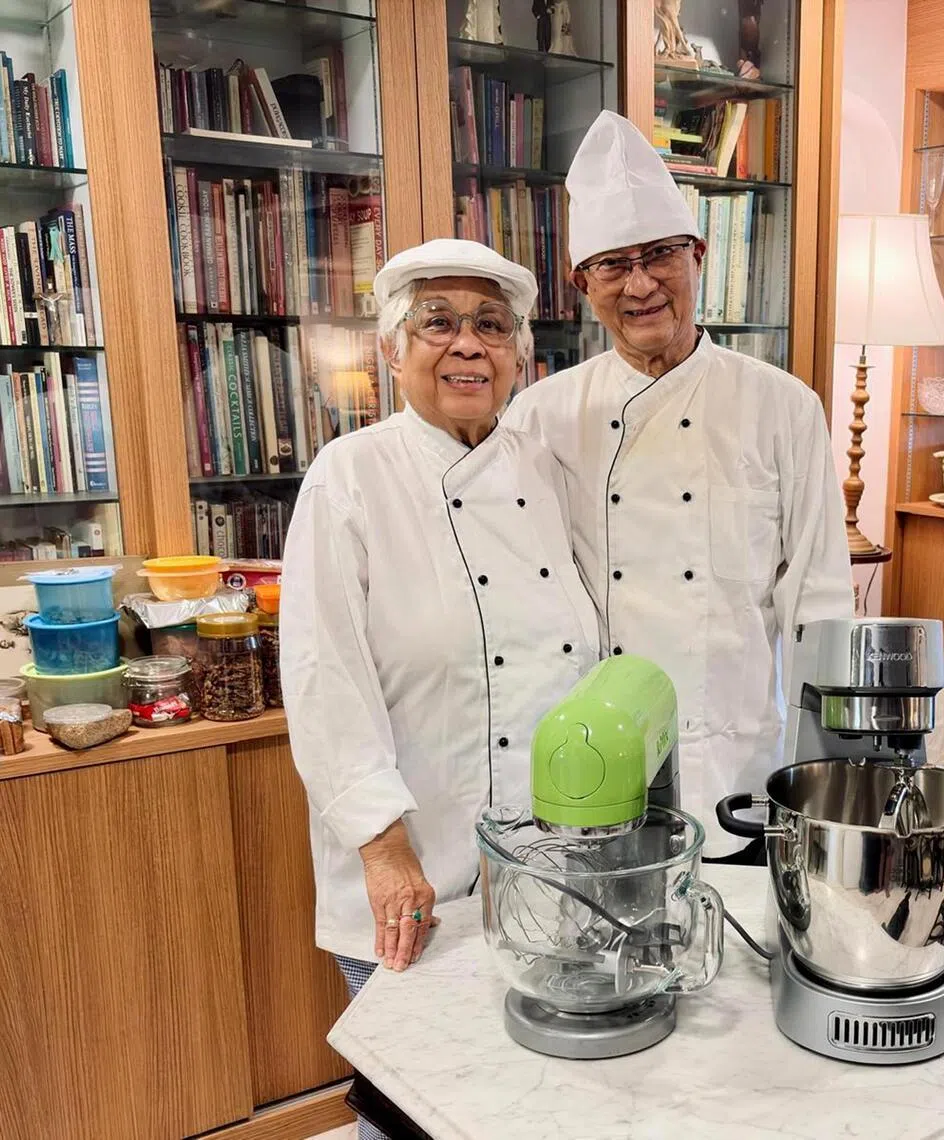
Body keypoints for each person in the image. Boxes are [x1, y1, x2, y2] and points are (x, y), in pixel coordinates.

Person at [280, 239, 600, 1138]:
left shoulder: (544, 471)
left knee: (533, 1106)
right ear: (391, 349)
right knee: (418, 1112)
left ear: (520, 355)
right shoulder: (350, 478)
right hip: (411, 875)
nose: (468, 346)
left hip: (545, 873)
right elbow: (322, 681)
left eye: (492, 326)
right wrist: (384, 854)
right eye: (439, 323)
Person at [503, 111, 854, 861]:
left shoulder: (784, 405)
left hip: (744, 771)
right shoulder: (539, 417)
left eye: (660, 254)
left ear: (698, 254)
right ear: (581, 284)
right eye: (612, 264)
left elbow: (819, 601)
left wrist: (828, 776)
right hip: (593, 775)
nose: (640, 283)